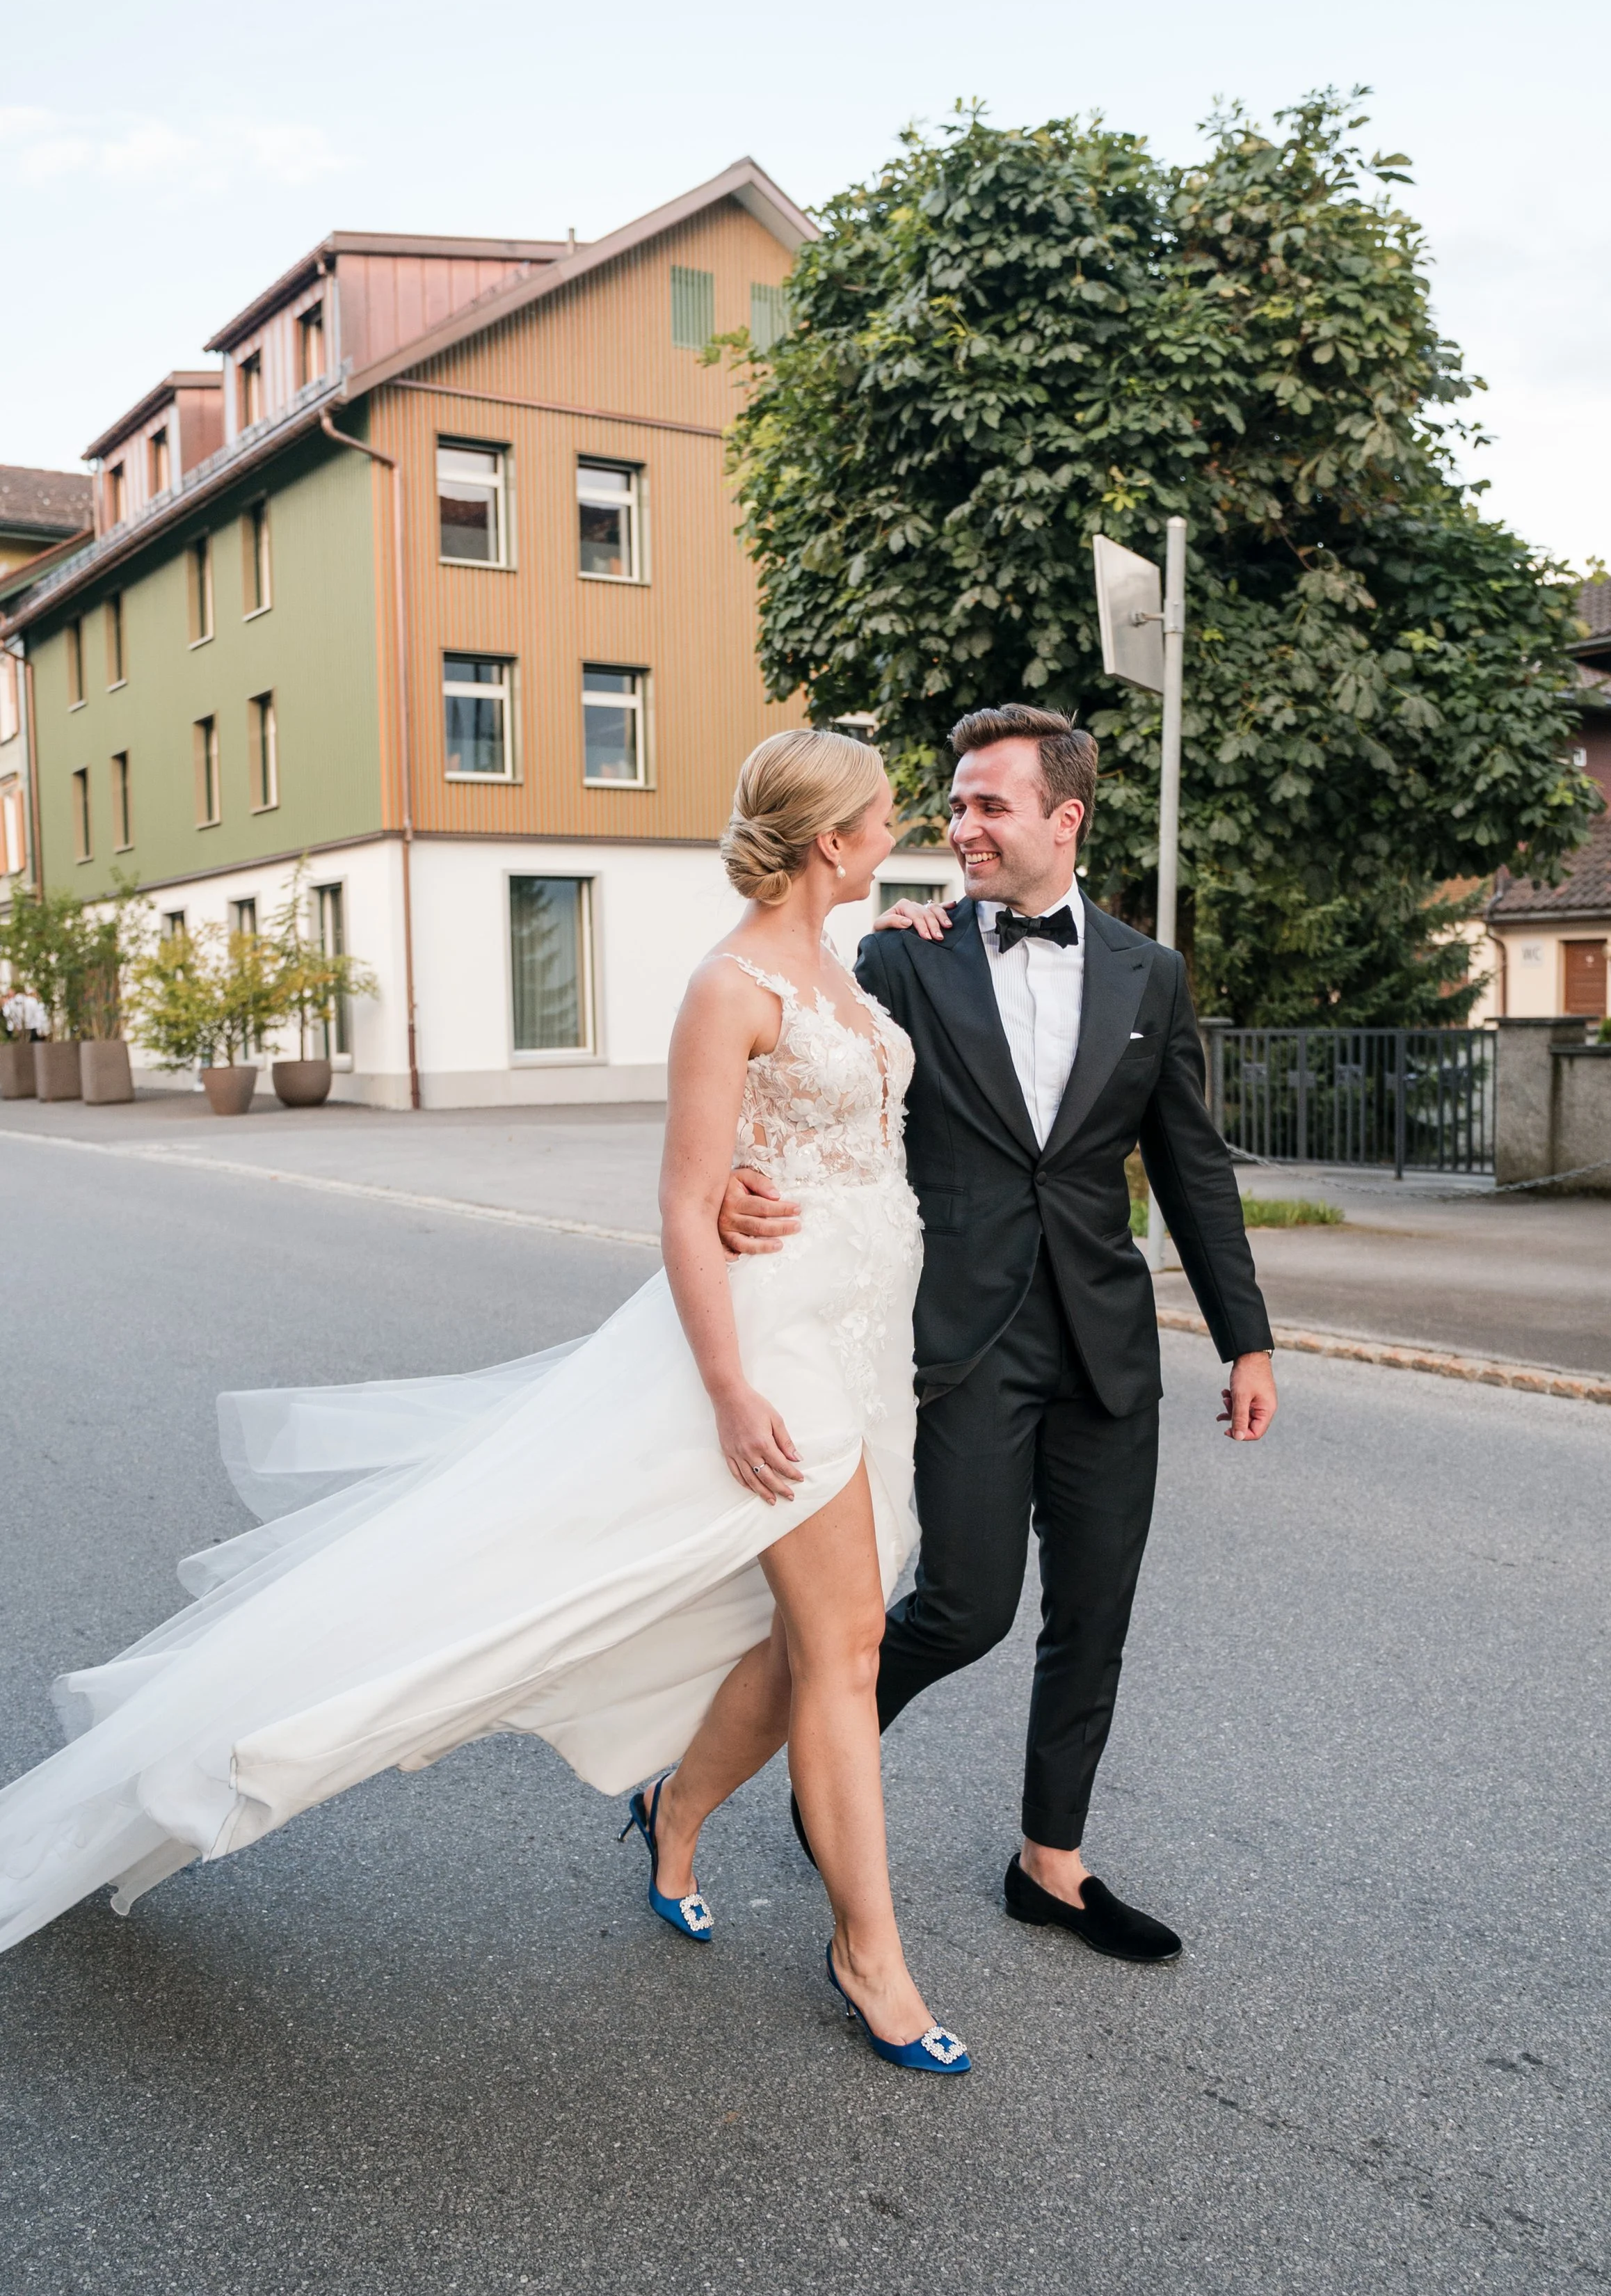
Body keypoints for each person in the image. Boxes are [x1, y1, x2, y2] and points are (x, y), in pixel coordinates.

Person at [0, 731, 967, 2073]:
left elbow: (856, 1106)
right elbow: (687, 1205)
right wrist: (731, 1390)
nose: (898, 824)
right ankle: (871, 1953)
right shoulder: (728, 983)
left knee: (811, 1639)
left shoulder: (854, 968)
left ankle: (674, 1811)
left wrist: (929, 919)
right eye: (883, 812)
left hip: (866, 1330)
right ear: (830, 841)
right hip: (778, 1337)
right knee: (844, 1641)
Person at [721, 704, 1276, 1966]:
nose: (959, 825)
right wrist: (730, 1184)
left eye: (988, 805)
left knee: (1095, 1608)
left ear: (1063, 819)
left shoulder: (1150, 972)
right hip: (961, 1334)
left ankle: (1053, 1865)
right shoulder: (900, 957)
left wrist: (1247, 1337)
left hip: (1105, 1340)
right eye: (955, 802)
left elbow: (1193, 1167)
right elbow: (784, 1072)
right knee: (962, 1606)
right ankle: (832, 1767)